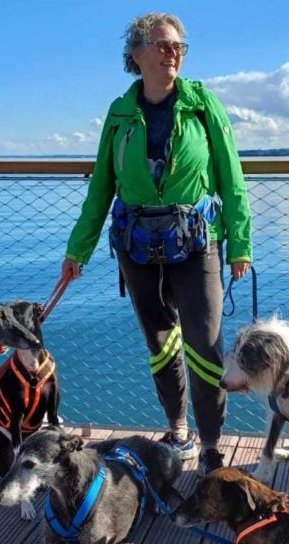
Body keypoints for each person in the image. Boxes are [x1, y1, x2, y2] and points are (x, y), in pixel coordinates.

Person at [63, 12, 253, 475]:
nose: (174, 53)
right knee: (161, 343)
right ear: (136, 54)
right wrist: (77, 251)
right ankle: (178, 430)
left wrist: (240, 244)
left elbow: (232, 178)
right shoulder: (120, 112)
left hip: (196, 244)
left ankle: (210, 446)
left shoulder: (203, 104)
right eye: (164, 45)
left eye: (180, 46)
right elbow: (101, 188)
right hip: (136, 247)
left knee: (205, 345)